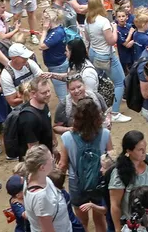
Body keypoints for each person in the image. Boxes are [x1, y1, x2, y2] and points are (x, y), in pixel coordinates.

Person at [58, 97, 114, 232]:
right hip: (99, 182)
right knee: (100, 220)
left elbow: (63, 165)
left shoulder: (67, 137)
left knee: (82, 221)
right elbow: (111, 159)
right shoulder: (105, 134)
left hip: (77, 183)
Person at [85, 0, 129, 122]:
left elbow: (87, 38)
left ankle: (97, 107)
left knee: (96, 81)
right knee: (120, 82)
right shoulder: (103, 22)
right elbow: (111, 41)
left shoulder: (88, 20)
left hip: (93, 52)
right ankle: (115, 112)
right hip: (105, 55)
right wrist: (114, 28)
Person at [22, 144, 72, 232]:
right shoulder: (41, 198)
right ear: (42, 167)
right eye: (50, 159)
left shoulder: (30, 176)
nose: (53, 159)